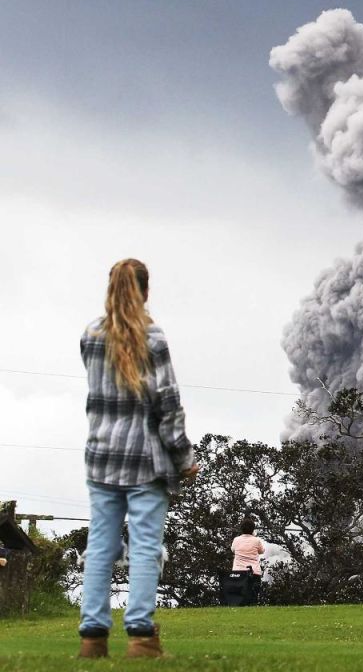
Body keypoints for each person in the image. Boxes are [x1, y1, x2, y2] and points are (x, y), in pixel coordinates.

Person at [78, 260, 197, 659]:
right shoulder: (153, 338)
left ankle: (92, 637)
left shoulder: (91, 336)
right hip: (145, 461)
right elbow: (168, 406)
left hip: (101, 457)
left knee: (100, 546)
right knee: (145, 547)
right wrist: (183, 458)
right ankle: (141, 637)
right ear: (145, 291)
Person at [230, 518, 266, 605]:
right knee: (253, 596)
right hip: (254, 572)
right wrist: (254, 536)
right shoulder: (256, 540)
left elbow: (233, 550)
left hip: (238, 572)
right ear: (253, 529)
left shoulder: (236, 540)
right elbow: (262, 551)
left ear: (241, 529)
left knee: (239, 596)